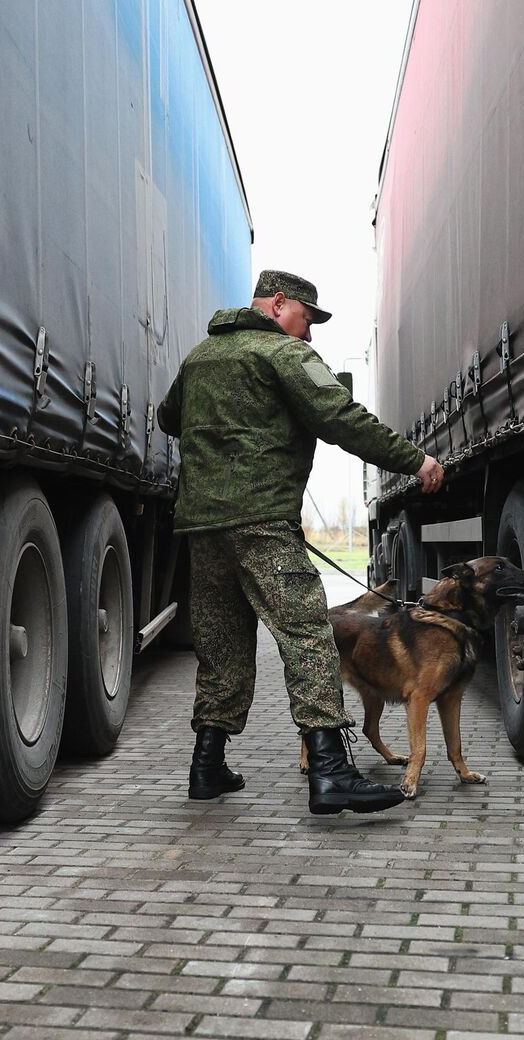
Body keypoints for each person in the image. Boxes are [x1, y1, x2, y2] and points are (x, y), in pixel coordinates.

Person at [157, 270, 444, 814]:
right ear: (278, 304)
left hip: (201, 527)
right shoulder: (281, 355)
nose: (309, 335)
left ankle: (207, 766)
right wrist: (415, 460)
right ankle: (332, 772)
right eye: (307, 320)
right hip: (262, 521)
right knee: (308, 635)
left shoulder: (199, 357)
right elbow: (342, 417)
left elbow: (171, 417)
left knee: (221, 646)